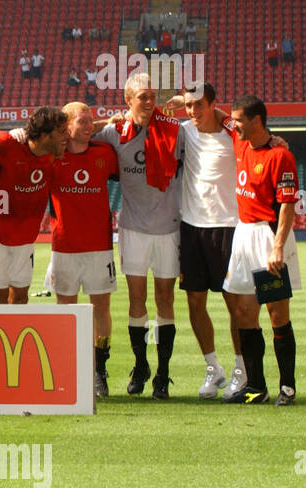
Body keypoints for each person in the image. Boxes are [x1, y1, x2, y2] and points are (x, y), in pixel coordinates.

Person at [92, 73, 184, 398]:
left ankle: (163, 374)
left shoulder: (175, 131)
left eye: (152, 96)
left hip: (168, 229)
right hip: (132, 229)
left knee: (165, 301)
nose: (148, 102)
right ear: (127, 99)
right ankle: (141, 365)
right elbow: (73, 131)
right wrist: (106, 118)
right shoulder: (114, 133)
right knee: (136, 301)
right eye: (142, 96)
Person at [161, 84, 245, 399]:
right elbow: (145, 115)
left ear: (212, 105)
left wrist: (215, 113)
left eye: (199, 106)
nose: (193, 112)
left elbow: (247, 126)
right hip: (191, 227)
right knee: (194, 301)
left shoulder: (232, 135)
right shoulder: (184, 132)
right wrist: (181, 101)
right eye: (189, 106)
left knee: (233, 304)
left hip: (228, 227)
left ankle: (241, 369)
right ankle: (213, 369)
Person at [223, 96, 300, 406]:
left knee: (276, 314)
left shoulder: (280, 156)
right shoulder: (239, 140)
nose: (235, 124)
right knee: (243, 313)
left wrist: (278, 247)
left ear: (256, 121)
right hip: (243, 233)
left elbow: (287, 205)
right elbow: (216, 115)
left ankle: (287, 389)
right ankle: (256, 387)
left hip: (268, 237)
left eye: (239, 120)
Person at [44, 103, 120, 396]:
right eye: (82, 121)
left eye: (91, 121)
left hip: (99, 247)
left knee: (101, 309)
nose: (88, 126)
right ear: (67, 126)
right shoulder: (53, 159)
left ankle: (99, 370)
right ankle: (69, 368)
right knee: (66, 309)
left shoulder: (104, 154)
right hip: (64, 247)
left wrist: (102, 124)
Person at [0, 108, 66, 304]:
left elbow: (82, 130)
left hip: (25, 237)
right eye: (62, 131)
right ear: (45, 135)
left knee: (20, 298)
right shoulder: (6, 143)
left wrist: (106, 122)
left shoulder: (54, 153)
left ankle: (14, 335)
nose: (66, 136)